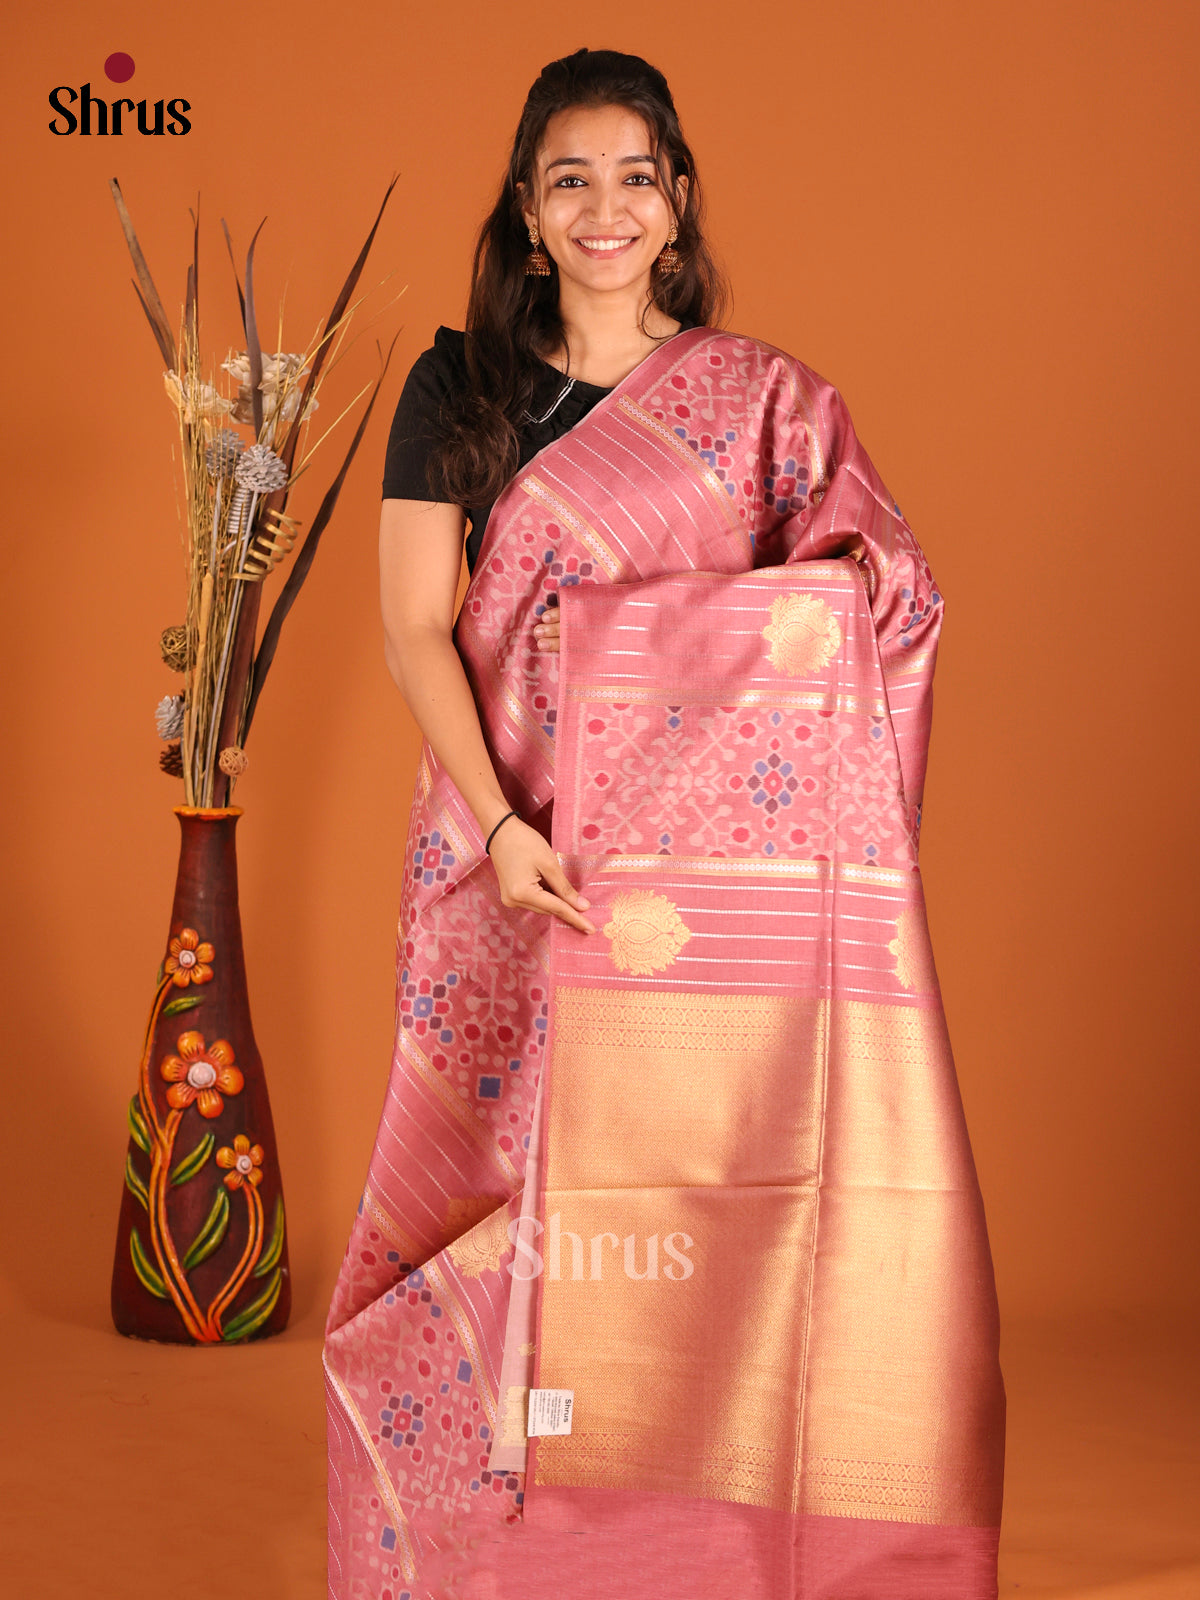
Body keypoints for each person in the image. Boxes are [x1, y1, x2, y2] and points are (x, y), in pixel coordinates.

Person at [324, 47, 1005, 1600]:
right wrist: (503, 830)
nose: (605, 209)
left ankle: (664, 1532)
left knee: (683, 1197)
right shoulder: (459, 387)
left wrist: (795, 622)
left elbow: (879, 601)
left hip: (691, 899)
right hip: (500, 856)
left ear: (678, 200)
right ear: (526, 207)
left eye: (636, 177)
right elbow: (418, 629)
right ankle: (480, 1535)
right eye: (570, 180)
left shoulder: (763, 407)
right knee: (491, 1194)